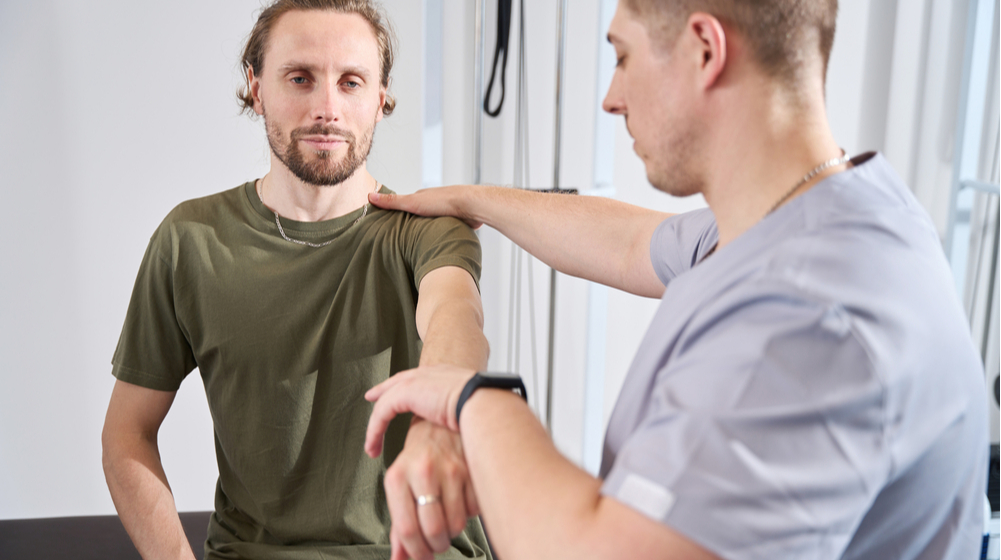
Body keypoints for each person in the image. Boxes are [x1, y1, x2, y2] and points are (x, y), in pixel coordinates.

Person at [362, 0, 990, 559]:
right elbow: (628, 242)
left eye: (623, 56)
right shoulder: (820, 212)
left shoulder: (804, 318)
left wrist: (475, 400)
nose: (611, 97)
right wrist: (472, 199)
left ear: (705, 49)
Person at [101, 1, 491, 559]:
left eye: (351, 82)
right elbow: (126, 434)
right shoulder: (191, 240)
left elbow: (455, 316)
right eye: (301, 78)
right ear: (257, 88)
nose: (327, 109)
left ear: (380, 99)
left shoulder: (426, 232)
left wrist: (442, 406)